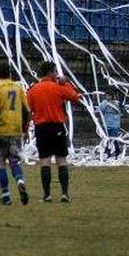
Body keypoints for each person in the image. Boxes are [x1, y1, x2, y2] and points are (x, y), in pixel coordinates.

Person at [26, 61, 80, 203]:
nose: (56, 74)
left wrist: (25, 130)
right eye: (55, 72)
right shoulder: (58, 87)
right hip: (57, 126)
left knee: (45, 160)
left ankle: (47, 195)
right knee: (61, 159)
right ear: (50, 72)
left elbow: (28, 110)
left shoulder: (33, 90)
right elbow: (75, 97)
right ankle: (64, 194)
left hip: (41, 128)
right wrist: (66, 83)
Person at [0, 61, 30, 205]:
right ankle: (20, 181)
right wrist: (23, 128)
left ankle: (6, 195)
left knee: (0, 163)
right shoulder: (18, 87)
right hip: (15, 129)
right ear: (10, 73)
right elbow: (27, 110)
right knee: (14, 161)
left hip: (0, 129)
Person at [98, 92, 122, 159]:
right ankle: (108, 152)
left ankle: (117, 151)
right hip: (106, 123)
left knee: (114, 138)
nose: (107, 97)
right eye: (107, 96)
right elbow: (100, 110)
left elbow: (121, 111)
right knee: (107, 139)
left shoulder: (117, 102)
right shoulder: (104, 102)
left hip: (115, 123)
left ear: (112, 96)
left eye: (109, 96)